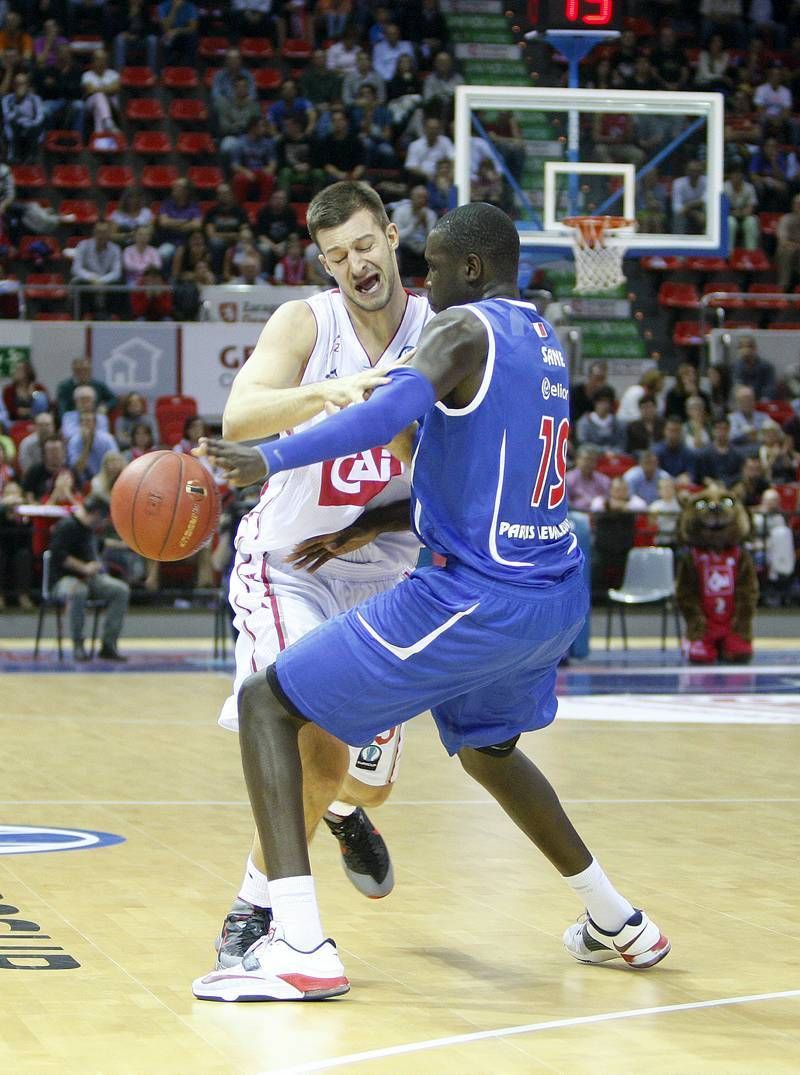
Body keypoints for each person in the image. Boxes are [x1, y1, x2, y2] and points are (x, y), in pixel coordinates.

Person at [191, 201, 670, 1002]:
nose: (425, 280)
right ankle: (617, 918)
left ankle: (299, 944)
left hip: (464, 593)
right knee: (488, 752)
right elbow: (458, 465)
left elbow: (386, 415)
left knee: (271, 709)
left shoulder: (457, 329)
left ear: (468, 271)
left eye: (434, 268)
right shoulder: (545, 337)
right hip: (548, 593)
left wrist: (264, 456)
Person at [185, 182, 434, 972]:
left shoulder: (441, 335)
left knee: (368, 786)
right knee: (316, 748)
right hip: (290, 566)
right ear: (324, 264)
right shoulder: (306, 321)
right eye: (337, 255)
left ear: (392, 238)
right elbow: (238, 417)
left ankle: (337, 815)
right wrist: (326, 394)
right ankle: (257, 908)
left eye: (365, 245)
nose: (355, 263)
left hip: (388, 581)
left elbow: (447, 486)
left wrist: (384, 495)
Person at [49, 495, 130, 661]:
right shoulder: (67, 526)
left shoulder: (89, 530)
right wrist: (84, 568)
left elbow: (101, 543)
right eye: (103, 518)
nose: (104, 523)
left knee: (120, 590)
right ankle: (78, 644)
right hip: (66, 579)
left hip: (92, 578)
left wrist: (123, 545)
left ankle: (109, 644)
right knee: (78, 592)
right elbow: (59, 556)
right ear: (96, 514)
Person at [733, 335, 777, 399]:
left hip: (762, 402)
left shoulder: (767, 367)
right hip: (743, 402)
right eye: (741, 347)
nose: (745, 350)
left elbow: (770, 388)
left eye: (748, 346)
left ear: (754, 348)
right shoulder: (735, 367)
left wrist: (763, 401)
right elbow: (737, 386)